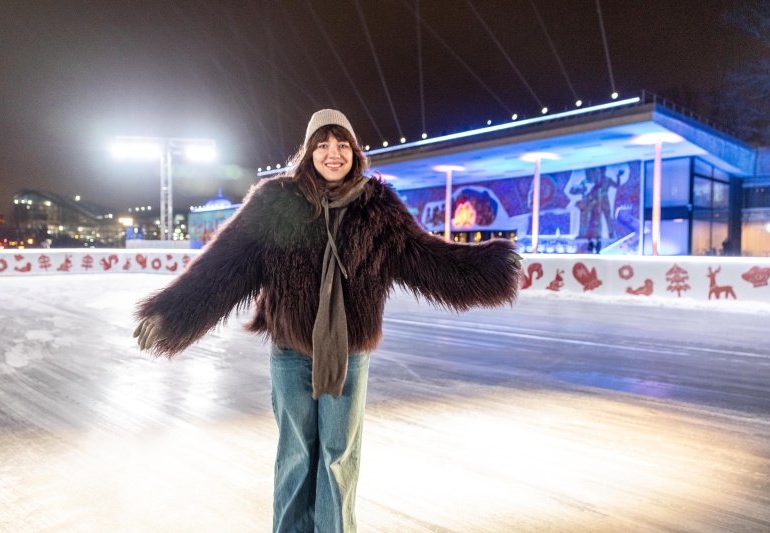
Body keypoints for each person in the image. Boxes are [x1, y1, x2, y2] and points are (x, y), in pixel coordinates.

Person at [133, 109, 523, 533]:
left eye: (341, 145)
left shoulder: (379, 207)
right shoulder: (276, 201)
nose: (332, 154)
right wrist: (171, 313)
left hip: (349, 354)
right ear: (309, 151)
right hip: (291, 353)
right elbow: (224, 266)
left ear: (354, 152)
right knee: (297, 456)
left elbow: (428, 258)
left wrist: (494, 265)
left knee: (337, 458)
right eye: (322, 144)